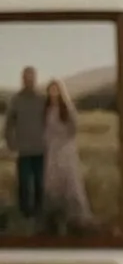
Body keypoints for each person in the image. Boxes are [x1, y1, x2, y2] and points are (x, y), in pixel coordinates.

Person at [39, 80, 92, 230]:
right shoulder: (47, 109)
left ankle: (77, 217)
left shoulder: (66, 107)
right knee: (52, 179)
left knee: (70, 179)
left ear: (60, 91)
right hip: (51, 149)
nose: (53, 92)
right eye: (51, 90)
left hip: (66, 148)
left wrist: (65, 141)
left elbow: (74, 126)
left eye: (56, 89)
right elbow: (45, 129)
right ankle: (56, 215)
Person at [2, 65, 46, 220]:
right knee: (24, 183)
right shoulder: (16, 100)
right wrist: (11, 143)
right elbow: (8, 124)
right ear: (22, 79)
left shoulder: (42, 99)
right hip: (23, 150)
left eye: (32, 77)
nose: (29, 80)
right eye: (26, 77)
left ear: (35, 79)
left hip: (41, 149)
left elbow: (50, 121)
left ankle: (39, 212)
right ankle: (25, 214)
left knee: (40, 183)